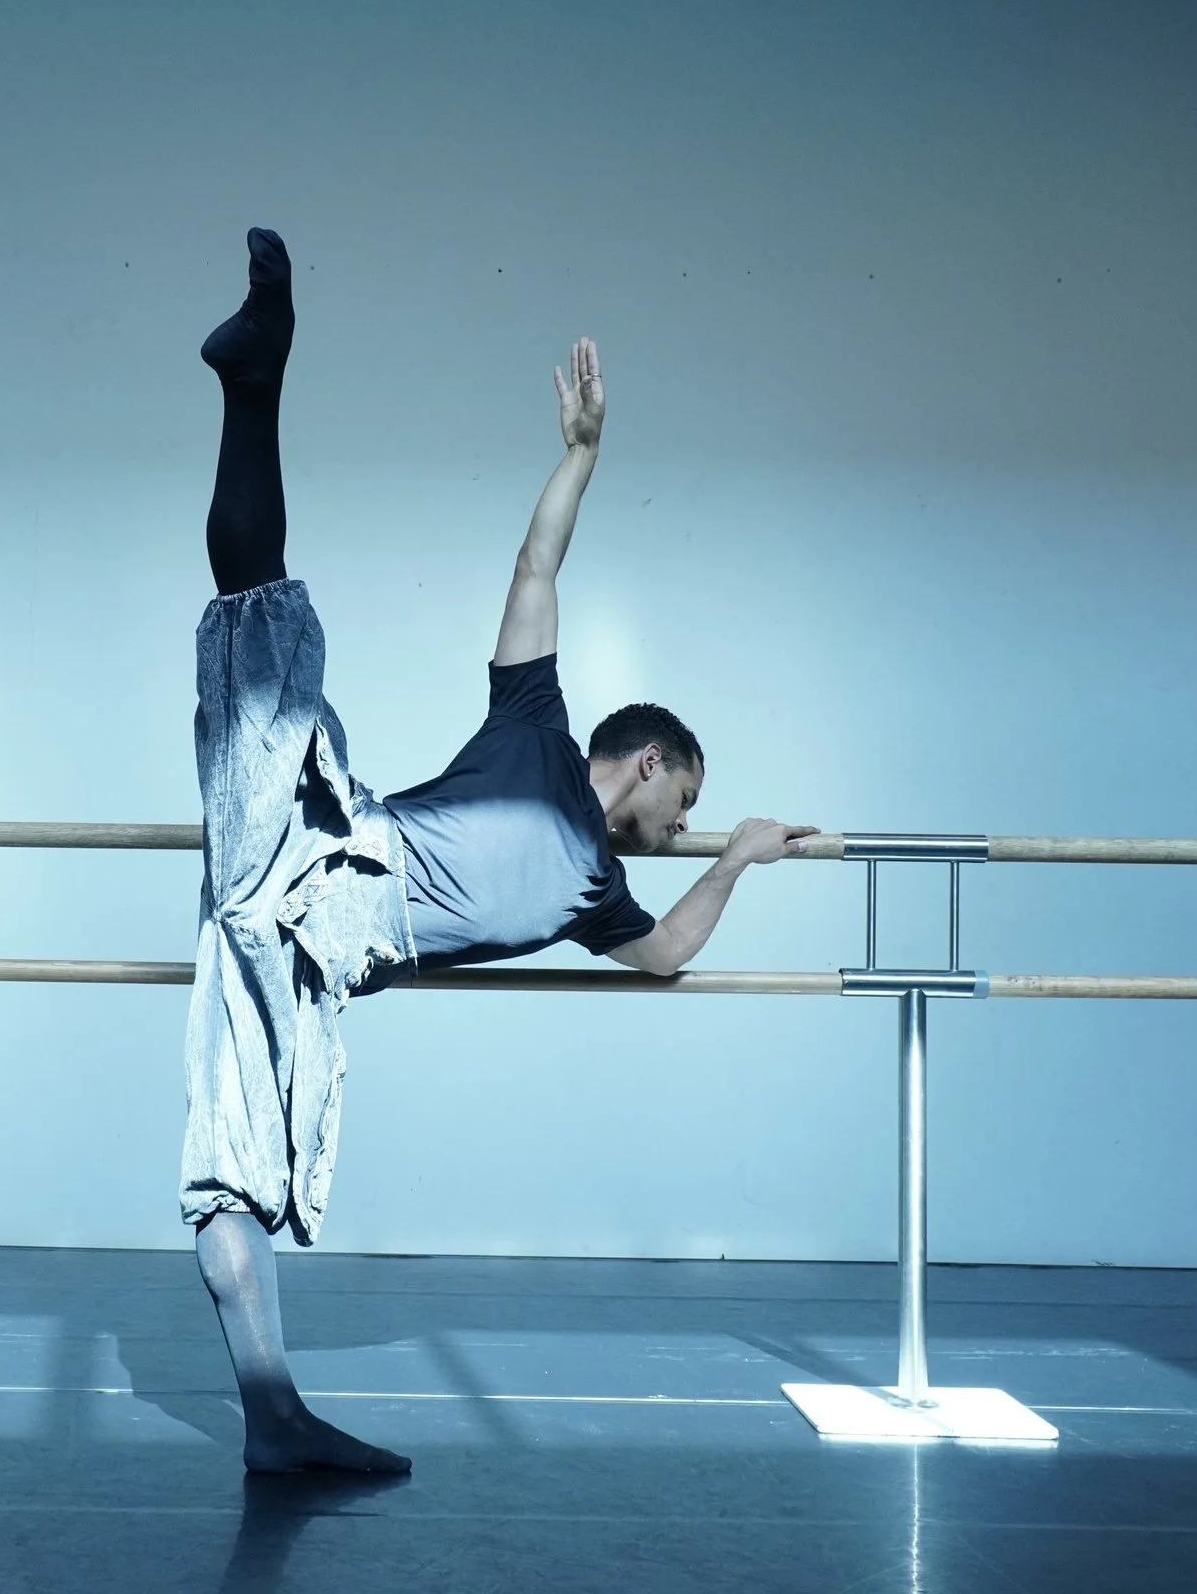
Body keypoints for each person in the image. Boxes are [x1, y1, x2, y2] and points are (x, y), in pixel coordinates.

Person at [182, 228, 817, 1473]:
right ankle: (256, 378)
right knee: (261, 622)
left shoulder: (600, 892)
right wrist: (577, 458)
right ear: (643, 763)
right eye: (682, 803)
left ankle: (271, 1421)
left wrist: (734, 860)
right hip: (324, 840)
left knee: (236, 1170)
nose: (678, 826)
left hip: (303, 946)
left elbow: (667, 958)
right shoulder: (535, 720)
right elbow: (537, 564)